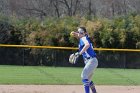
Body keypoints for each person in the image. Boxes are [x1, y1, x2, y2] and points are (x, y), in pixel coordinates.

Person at [71, 27, 98, 93]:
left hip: (91, 60)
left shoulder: (83, 38)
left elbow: (87, 45)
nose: (79, 33)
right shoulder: (83, 38)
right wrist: (75, 33)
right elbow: (80, 35)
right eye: (78, 32)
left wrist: (79, 53)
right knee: (88, 80)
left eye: (81, 32)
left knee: (83, 76)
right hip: (92, 61)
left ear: (85, 33)